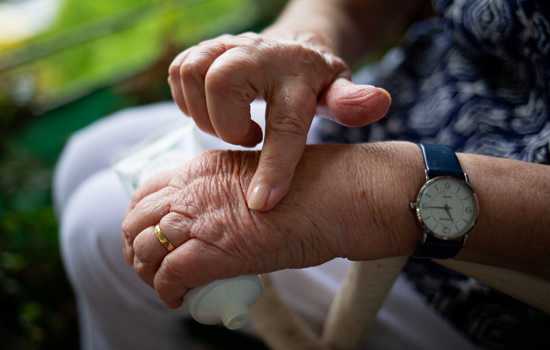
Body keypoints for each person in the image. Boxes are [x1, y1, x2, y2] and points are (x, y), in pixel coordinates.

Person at [54, 0, 550, 349]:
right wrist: (304, 42)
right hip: (386, 111)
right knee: (89, 152)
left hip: (482, 258)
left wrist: (382, 194)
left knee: (98, 227)